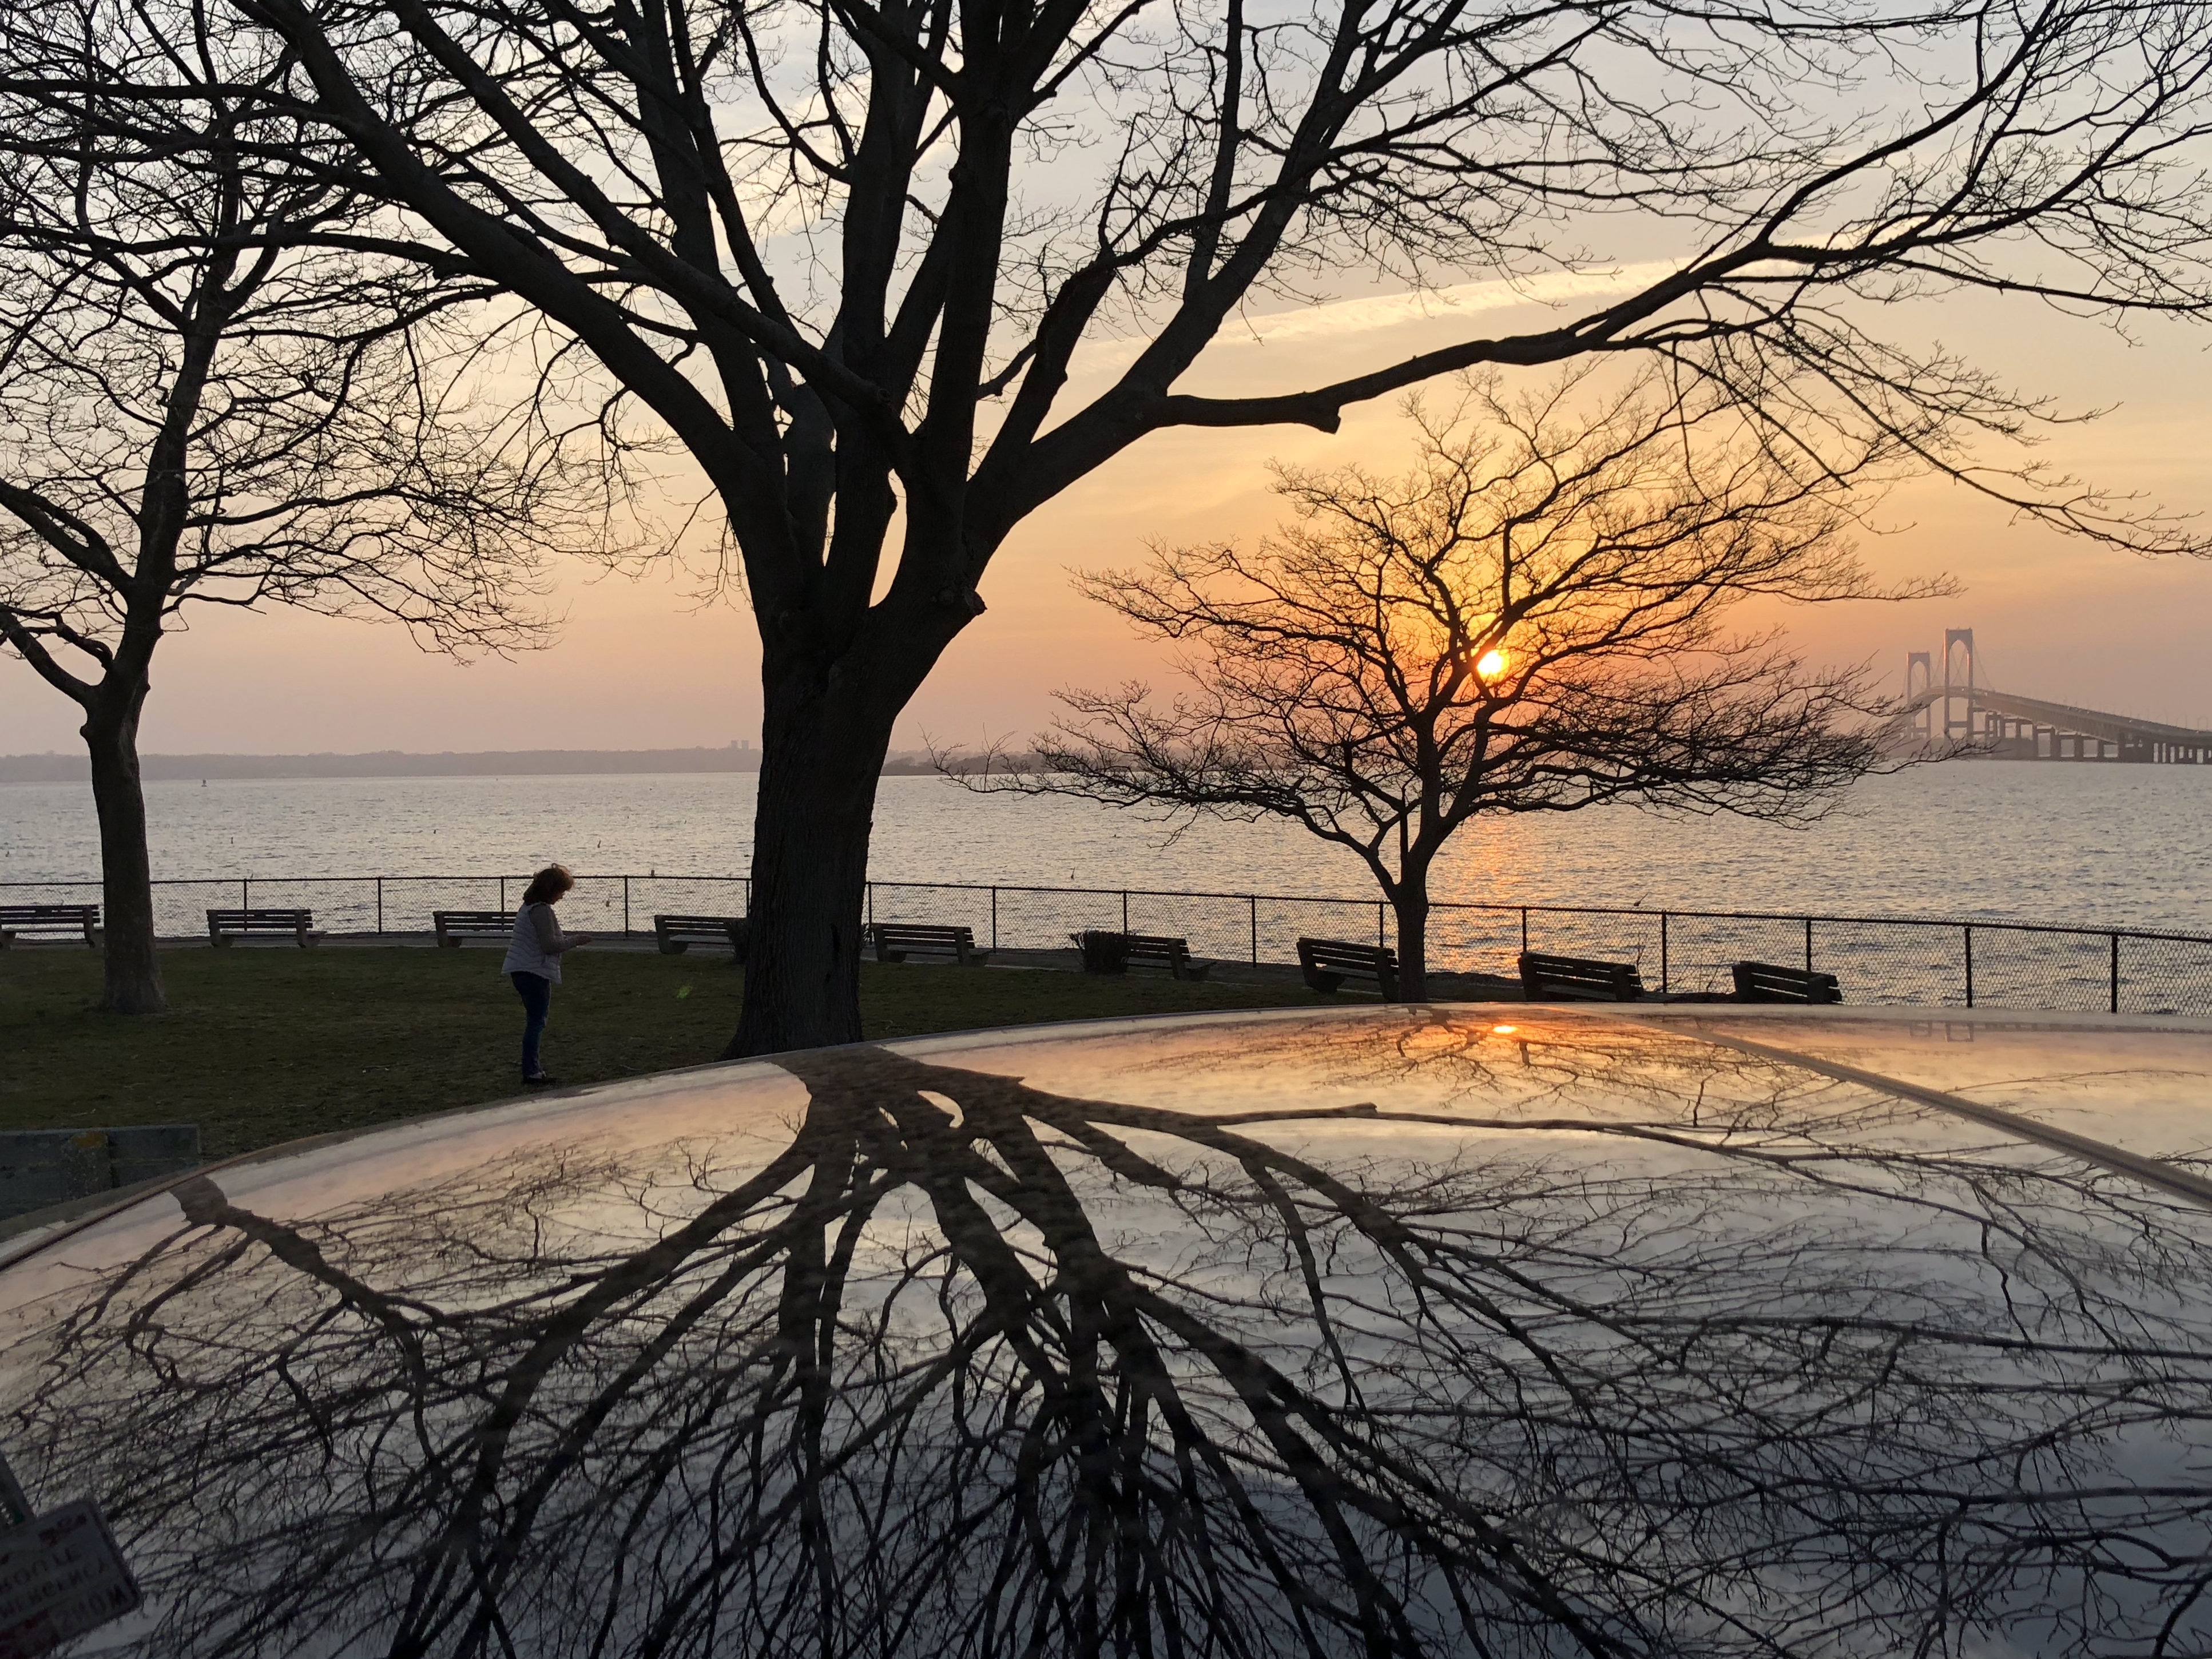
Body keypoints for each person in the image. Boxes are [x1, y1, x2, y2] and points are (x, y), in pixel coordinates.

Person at [501, 864, 592, 1086]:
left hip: (523, 969)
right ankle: (532, 1070)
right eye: (561, 892)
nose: (562, 897)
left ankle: (532, 1069)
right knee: (536, 1021)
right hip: (533, 971)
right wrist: (576, 940)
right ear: (551, 890)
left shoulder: (528, 907)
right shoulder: (541, 911)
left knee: (535, 1020)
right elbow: (550, 945)